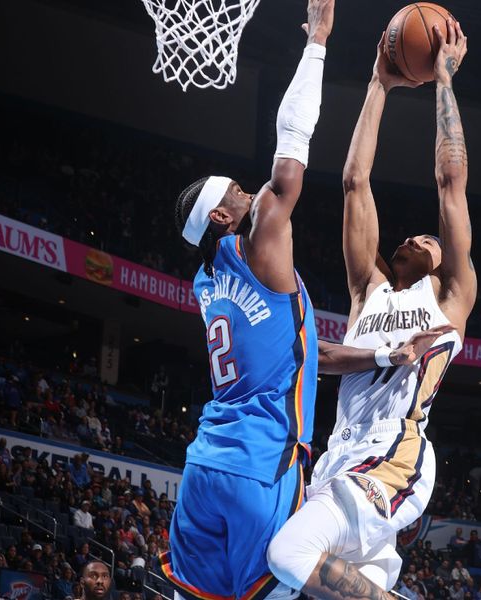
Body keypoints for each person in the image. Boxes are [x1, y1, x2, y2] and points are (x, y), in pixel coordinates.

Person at [163, 3, 447, 600]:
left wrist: (382, 357)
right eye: (240, 193)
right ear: (222, 216)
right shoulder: (257, 246)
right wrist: (317, 41)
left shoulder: (206, 283)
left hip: (203, 461)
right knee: (284, 580)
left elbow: (302, 354)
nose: (252, 192)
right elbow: (291, 153)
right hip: (260, 461)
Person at [267, 18, 475, 600]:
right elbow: (355, 181)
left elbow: (450, 182)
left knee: (287, 555)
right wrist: (378, 84)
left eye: (432, 240)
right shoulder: (370, 289)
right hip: (339, 455)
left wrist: (443, 80)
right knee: (281, 587)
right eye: (415, 237)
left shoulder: (450, 296)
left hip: (394, 455)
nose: (421, 238)